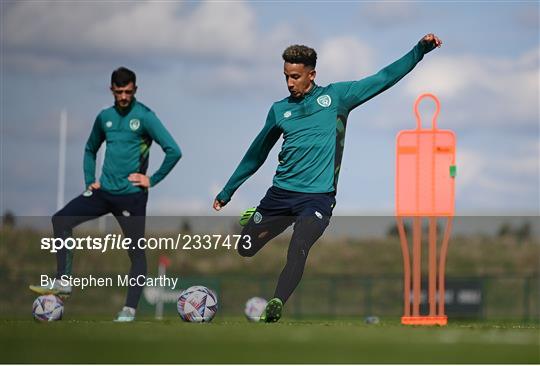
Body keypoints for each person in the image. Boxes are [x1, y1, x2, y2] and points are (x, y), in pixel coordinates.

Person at [213, 34, 442, 322]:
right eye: (286, 76)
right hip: (280, 195)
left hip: (317, 198)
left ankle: (276, 304)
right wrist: (228, 190)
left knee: (299, 246)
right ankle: (256, 216)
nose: (289, 83)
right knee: (245, 249)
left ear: (312, 74)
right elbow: (256, 153)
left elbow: (384, 77)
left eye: (295, 76)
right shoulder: (279, 110)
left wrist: (419, 50)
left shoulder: (337, 98)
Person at [30, 67, 182, 322]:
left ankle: (129, 310)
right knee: (61, 220)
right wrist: (90, 181)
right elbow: (90, 149)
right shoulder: (104, 117)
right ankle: (64, 281)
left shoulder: (145, 117)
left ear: (135, 90)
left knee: (136, 252)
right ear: (111, 89)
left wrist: (152, 179)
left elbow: (174, 150)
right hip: (104, 192)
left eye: (128, 91)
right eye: (119, 91)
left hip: (132, 196)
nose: (124, 96)